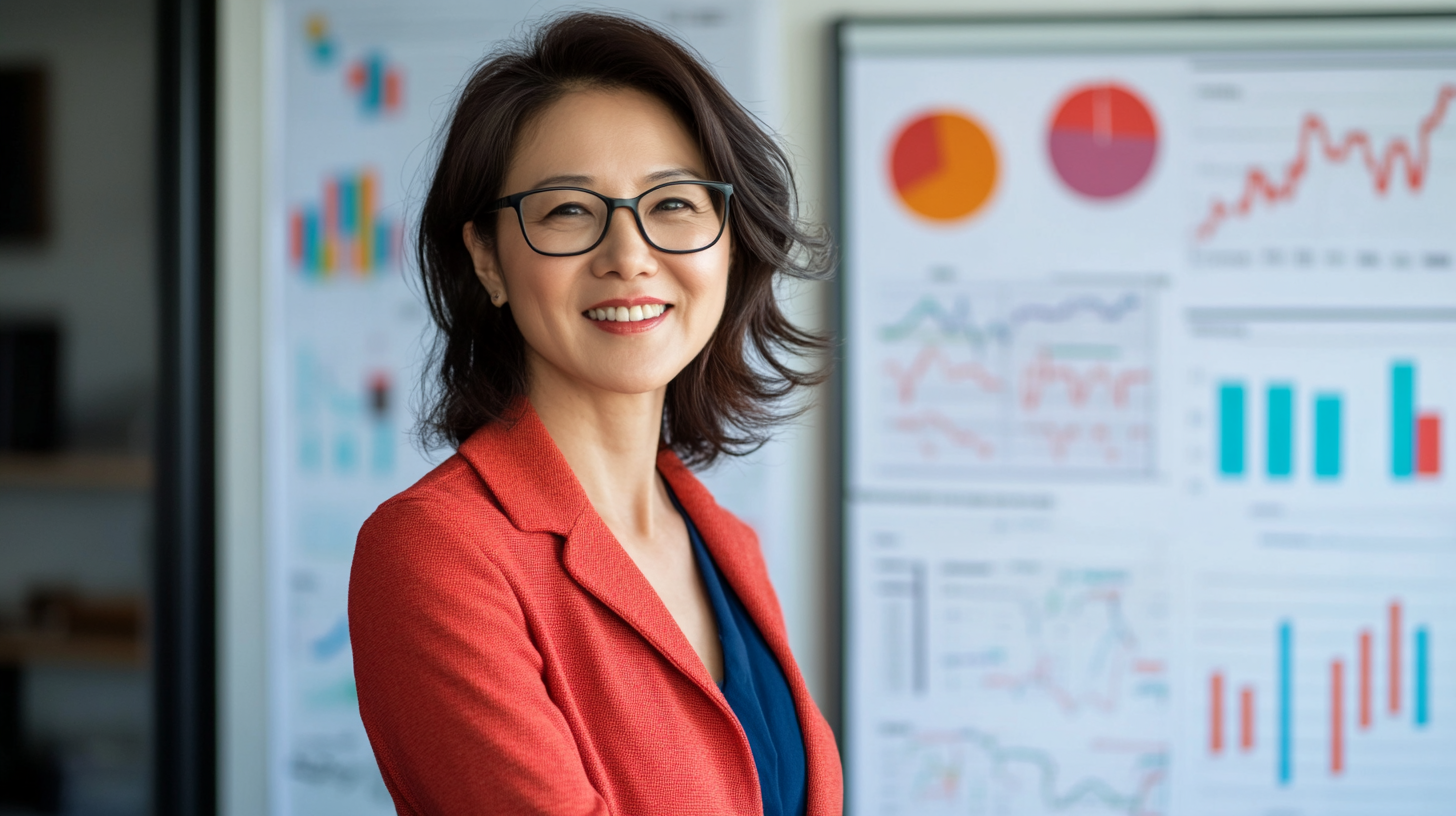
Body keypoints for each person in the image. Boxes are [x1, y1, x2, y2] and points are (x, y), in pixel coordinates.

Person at [348, 12, 841, 816]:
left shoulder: (724, 542)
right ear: (487, 260)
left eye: (675, 203)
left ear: (729, 241)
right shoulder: (437, 554)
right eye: (568, 211)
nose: (630, 255)